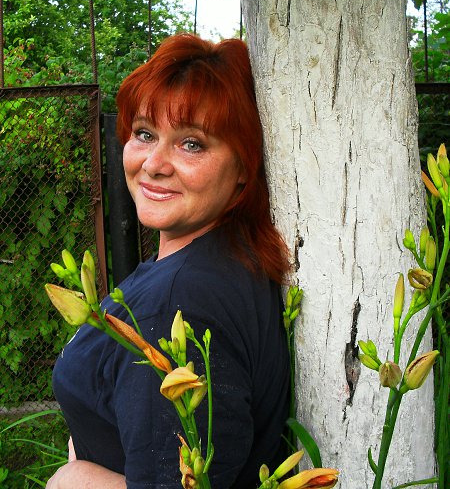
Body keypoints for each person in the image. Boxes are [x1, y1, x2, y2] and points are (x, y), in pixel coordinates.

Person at [48, 34, 291, 489]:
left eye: (191, 144)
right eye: (144, 134)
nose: (154, 163)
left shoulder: (180, 302)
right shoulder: (223, 258)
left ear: (244, 167)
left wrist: (72, 478)